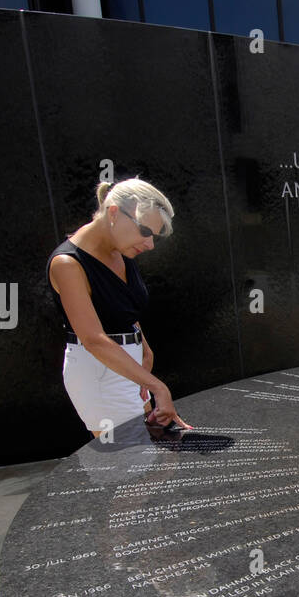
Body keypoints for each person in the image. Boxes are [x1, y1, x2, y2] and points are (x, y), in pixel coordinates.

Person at [48, 177, 192, 440]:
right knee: (132, 470)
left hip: (130, 368)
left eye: (154, 237)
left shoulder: (120, 250)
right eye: (145, 231)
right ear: (114, 213)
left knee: (159, 458)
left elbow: (123, 310)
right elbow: (94, 340)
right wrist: (158, 387)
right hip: (99, 373)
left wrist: (144, 349)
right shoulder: (68, 264)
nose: (149, 244)